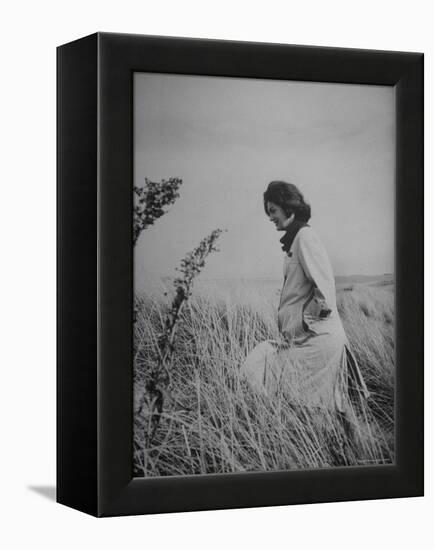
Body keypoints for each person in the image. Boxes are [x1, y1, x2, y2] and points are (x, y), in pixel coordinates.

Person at [241, 181, 369, 417]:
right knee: (319, 409)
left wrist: (303, 323)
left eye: (273, 211)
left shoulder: (305, 237)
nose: (270, 217)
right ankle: (349, 446)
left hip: (317, 340)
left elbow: (325, 292)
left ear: (287, 206)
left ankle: (340, 449)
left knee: (264, 373)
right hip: (311, 338)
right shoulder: (297, 237)